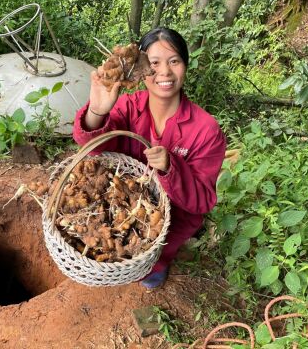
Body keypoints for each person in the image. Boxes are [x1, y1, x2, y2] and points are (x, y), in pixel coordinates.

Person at [72, 27, 226, 289]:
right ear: (141, 70)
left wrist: (170, 167)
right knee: (117, 245)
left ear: (185, 66)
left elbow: (202, 201)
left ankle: (156, 269)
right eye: (154, 63)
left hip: (173, 219)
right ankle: (133, 267)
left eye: (174, 61)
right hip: (119, 206)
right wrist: (98, 110)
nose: (164, 72)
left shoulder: (206, 130)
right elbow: (94, 146)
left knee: (153, 263)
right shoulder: (129, 106)